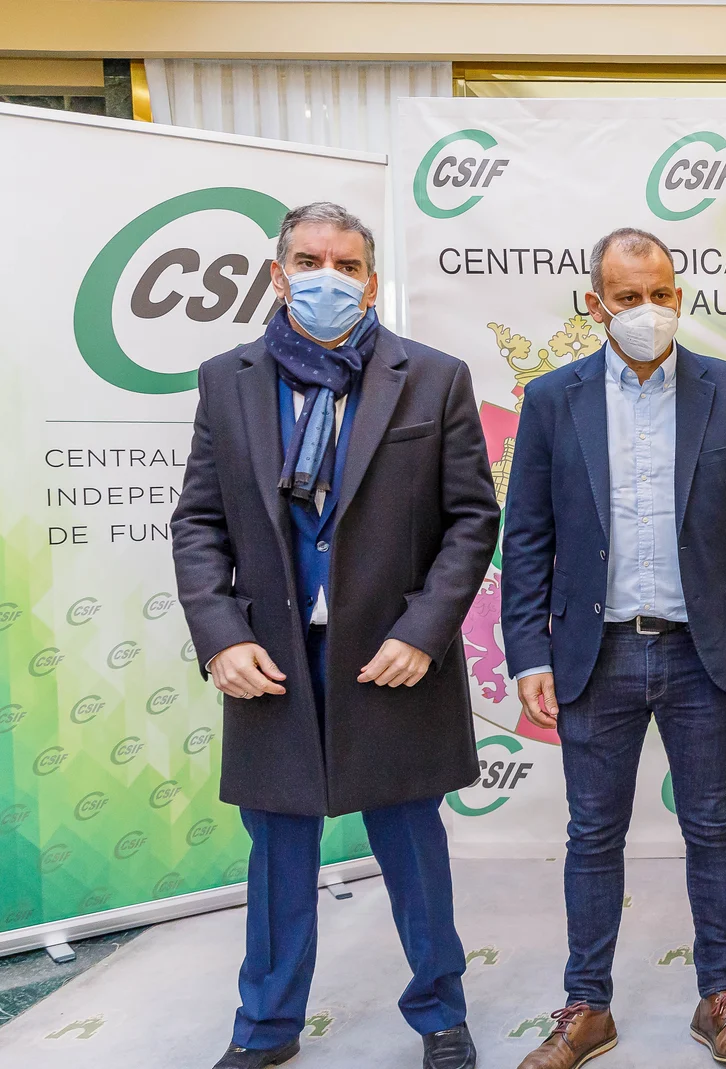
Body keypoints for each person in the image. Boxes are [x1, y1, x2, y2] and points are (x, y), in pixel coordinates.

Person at [171, 202, 499, 1069]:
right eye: (310, 261)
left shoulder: (432, 376)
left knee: (412, 846)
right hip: (271, 658)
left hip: (394, 657)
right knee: (278, 853)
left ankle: (441, 1014)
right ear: (279, 276)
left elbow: (472, 519)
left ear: (372, 280)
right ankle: (266, 1027)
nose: (328, 277)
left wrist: (426, 630)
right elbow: (199, 521)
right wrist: (220, 634)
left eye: (346, 264)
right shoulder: (226, 378)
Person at [501, 228, 726, 1069]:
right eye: (628, 297)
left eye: (661, 293)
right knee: (593, 833)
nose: (648, 311)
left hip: (704, 651)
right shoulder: (553, 399)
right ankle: (587, 1007)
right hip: (593, 656)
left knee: (712, 823)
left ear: (679, 296)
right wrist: (529, 655)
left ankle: (720, 998)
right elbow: (526, 537)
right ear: (595, 305)